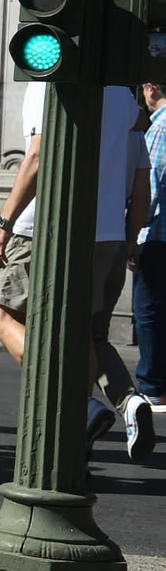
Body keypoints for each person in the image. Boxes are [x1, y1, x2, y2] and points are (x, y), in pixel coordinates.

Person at [0, 80, 151, 456]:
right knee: (83, 335)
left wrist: (4, 222)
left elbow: (37, 156)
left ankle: (77, 406)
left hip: (44, 225)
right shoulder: (122, 95)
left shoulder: (48, 84)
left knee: (1, 318)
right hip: (106, 232)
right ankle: (77, 437)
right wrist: (129, 239)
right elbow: (142, 175)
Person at [130, 79, 166, 461]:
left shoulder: (159, 128)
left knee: (150, 309)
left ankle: (153, 386)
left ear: (152, 88)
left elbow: (150, 188)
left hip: (159, 236)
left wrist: (135, 234)